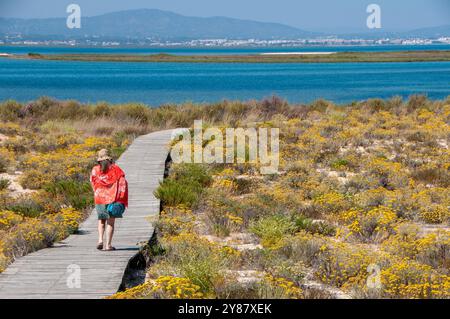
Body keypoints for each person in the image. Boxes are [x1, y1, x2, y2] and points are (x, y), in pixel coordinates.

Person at [90, 149, 128, 251]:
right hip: (113, 198)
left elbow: (93, 183)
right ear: (109, 159)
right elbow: (122, 182)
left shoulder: (95, 169)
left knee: (101, 220)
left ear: (99, 160)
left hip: (99, 198)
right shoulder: (116, 169)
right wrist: (121, 198)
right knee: (110, 223)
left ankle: (100, 240)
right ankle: (108, 245)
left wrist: (97, 192)